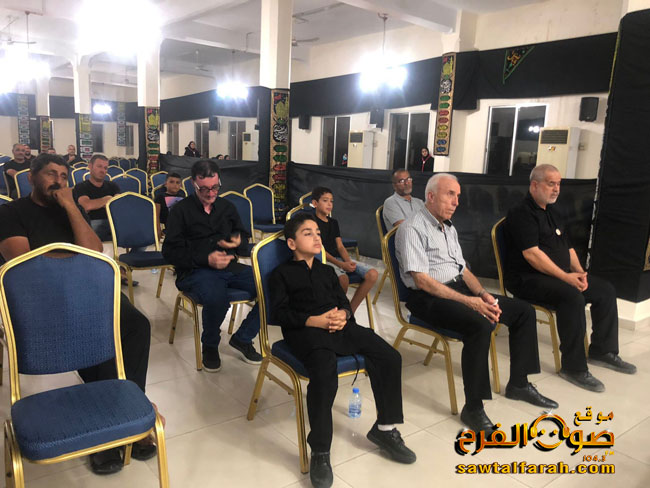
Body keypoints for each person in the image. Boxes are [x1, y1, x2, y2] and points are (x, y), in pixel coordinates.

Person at [0, 153, 156, 475]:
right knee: (95, 337)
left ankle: (127, 410)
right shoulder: (11, 213)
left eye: (63, 175)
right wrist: (73, 258)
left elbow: (94, 252)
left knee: (136, 325)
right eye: (51, 174)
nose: (58, 181)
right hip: (39, 298)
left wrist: (71, 207)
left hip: (86, 290)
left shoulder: (72, 208)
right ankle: (110, 434)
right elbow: (25, 264)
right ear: (31, 178)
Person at [396, 173, 557, 433]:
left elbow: (463, 270)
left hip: (457, 290)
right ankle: (473, 408)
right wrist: (470, 303)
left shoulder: (449, 228)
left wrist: (482, 294)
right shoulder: (412, 228)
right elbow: (422, 281)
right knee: (480, 325)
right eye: (450, 194)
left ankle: (519, 384)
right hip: (426, 298)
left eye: (458, 196)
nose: (456, 202)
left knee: (523, 311)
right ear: (431, 196)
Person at [270, 213, 416, 488]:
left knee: (389, 357)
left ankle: (385, 429)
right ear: (291, 243)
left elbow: (344, 303)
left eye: (317, 232)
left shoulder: (327, 272)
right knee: (324, 372)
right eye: (307, 233)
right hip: (305, 332)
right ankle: (320, 451)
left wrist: (343, 315)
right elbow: (278, 313)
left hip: (339, 327)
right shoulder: (281, 274)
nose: (316, 237)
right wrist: (315, 321)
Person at [504, 164, 636, 392]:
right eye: (551, 184)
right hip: (527, 279)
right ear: (534, 185)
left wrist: (581, 273)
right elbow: (532, 255)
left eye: (558, 184)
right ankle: (573, 368)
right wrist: (566, 277)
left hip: (558, 276)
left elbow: (568, 248)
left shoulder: (553, 212)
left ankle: (602, 350)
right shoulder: (521, 213)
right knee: (572, 296)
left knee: (604, 290)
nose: (556, 189)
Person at [162, 159, 262, 371]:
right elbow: (170, 252)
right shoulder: (181, 211)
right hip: (195, 271)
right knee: (217, 297)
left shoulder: (227, 207)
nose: (210, 193)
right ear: (193, 184)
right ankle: (210, 344)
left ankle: (243, 338)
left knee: (272, 286)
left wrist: (237, 241)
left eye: (215, 187)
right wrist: (206, 259)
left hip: (229, 267)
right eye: (204, 189)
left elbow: (242, 237)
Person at [311, 187, 378, 313]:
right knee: (343, 279)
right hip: (323, 260)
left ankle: (349, 312)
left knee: (372, 274)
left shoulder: (333, 222)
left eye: (331, 201)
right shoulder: (311, 222)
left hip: (338, 258)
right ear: (315, 203)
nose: (329, 204)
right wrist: (341, 264)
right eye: (325, 200)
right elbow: (319, 250)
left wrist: (348, 262)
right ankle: (336, 312)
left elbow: (340, 246)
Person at [73, 154, 120, 242]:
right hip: (92, 222)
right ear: (90, 166)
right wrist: (106, 199)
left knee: (138, 231)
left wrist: (96, 204)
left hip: (113, 221)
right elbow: (86, 206)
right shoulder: (81, 187)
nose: (102, 170)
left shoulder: (113, 186)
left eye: (105, 168)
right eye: (99, 166)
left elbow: (118, 205)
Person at [154, 172, 185, 237]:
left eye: (177, 183)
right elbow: (156, 216)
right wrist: (158, 230)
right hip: (166, 227)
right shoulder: (160, 197)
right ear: (166, 184)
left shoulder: (182, 197)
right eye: (171, 182)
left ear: (181, 185)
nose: (175, 185)